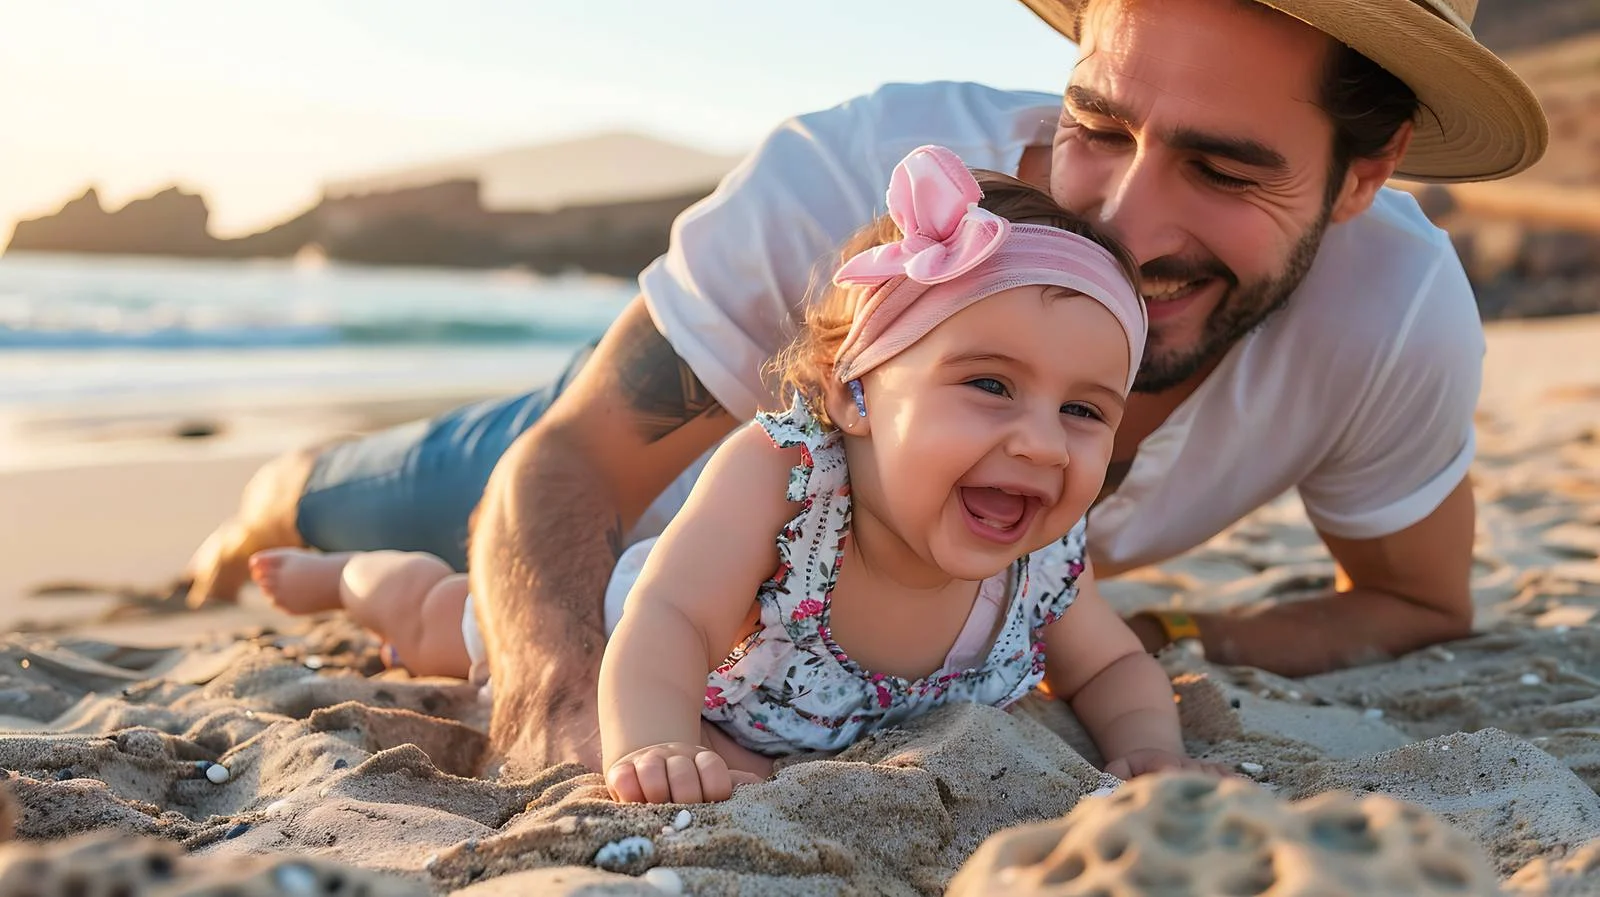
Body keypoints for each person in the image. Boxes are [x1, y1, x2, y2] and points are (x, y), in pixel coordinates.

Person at [185, 0, 1547, 770]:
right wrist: (558, 701)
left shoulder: (1398, 314)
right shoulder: (865, 171)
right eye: (1100, 127)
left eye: (1226, 166)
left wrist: (1140, 644)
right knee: (425, 502)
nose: (1129, 223)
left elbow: (1417, 601)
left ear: (1366, 176)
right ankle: (285, 483)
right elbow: (571, 465)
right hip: (647, 458)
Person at [252, 147, 1229, 795]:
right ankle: (344, 576)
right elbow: (667, 622)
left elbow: (1107, 664)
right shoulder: (785, 477)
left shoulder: (1048, 549)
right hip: (625, 622)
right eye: (987, 384)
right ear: (854, 398)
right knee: (443, 621)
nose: (1040, 443)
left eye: (1083, 409)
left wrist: (1149, 747)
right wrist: (651, 742)